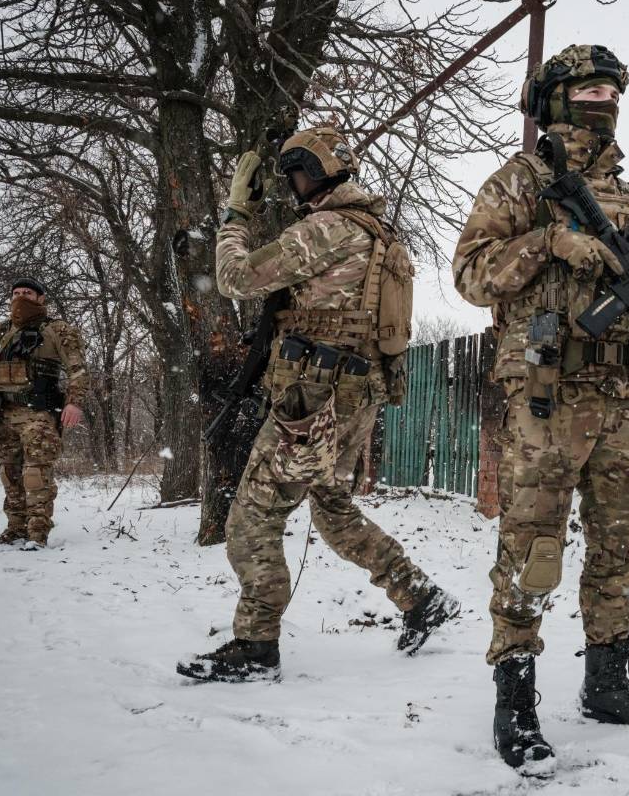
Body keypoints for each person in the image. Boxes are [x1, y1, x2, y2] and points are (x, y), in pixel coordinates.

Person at [453, 45, 629, 776]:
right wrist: (547, 243)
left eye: (611, 93)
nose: (602, 103)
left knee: (620, 547)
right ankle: (514, 699)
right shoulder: (520, 183)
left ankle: (608, 682)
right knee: (532, 549)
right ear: (554, 100)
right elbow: (470, 274)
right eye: (588, 91)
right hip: (547, 396)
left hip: (621, 397)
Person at [177, 126, 459, 684]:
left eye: (294, 175)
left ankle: (256, 645)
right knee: (333, 509)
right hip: (356, 396)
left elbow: (234, 277)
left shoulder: (326, 229)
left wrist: (236, 215)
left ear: (311, 173)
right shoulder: (380, 234)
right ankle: (420, 596)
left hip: (312, 401)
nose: (292, 186)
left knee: (252, 517)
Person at [0, 278, 88, 549]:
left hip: (39, 413)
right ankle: (15, 528)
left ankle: (37, 533)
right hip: (4, 413)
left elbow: (78, 369)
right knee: (9, 473)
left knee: (36, 473)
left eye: (27, 292)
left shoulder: (56, 329)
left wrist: (74, 402)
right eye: (16, 293)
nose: (20, 297)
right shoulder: (0, 331)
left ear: (41, 298)